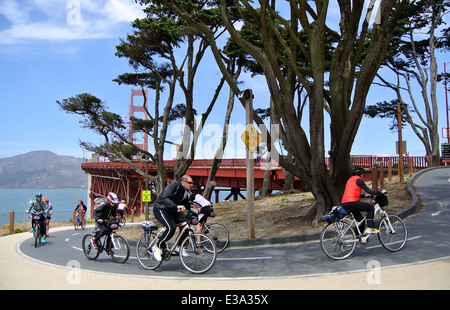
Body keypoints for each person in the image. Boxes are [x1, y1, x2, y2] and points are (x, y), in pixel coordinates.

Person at [152, 175, 194, 261]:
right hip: (161, 209)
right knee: (171, 228)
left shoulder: (185, 191)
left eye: (192, 183)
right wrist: (176, 206)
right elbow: (164, 198)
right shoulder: (174, 186)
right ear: (183, 182)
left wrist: (192, 211)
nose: (191, 185)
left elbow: (186, 203)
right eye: (190, 183)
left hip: (173, 209)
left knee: (185, 226)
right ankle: (157, 246)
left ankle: (179, 247)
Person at [341, 167, 387, 235]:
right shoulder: (359, 180)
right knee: (371, 208)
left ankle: (356, 240)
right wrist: (380, 192)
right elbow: (370, 191)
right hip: (352, 203)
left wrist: (364, 196)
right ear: (361, 174)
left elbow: (352, 193)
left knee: (361, 221)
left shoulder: (350, 180)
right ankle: (370, 227)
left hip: (345, 203)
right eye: (363, 174)